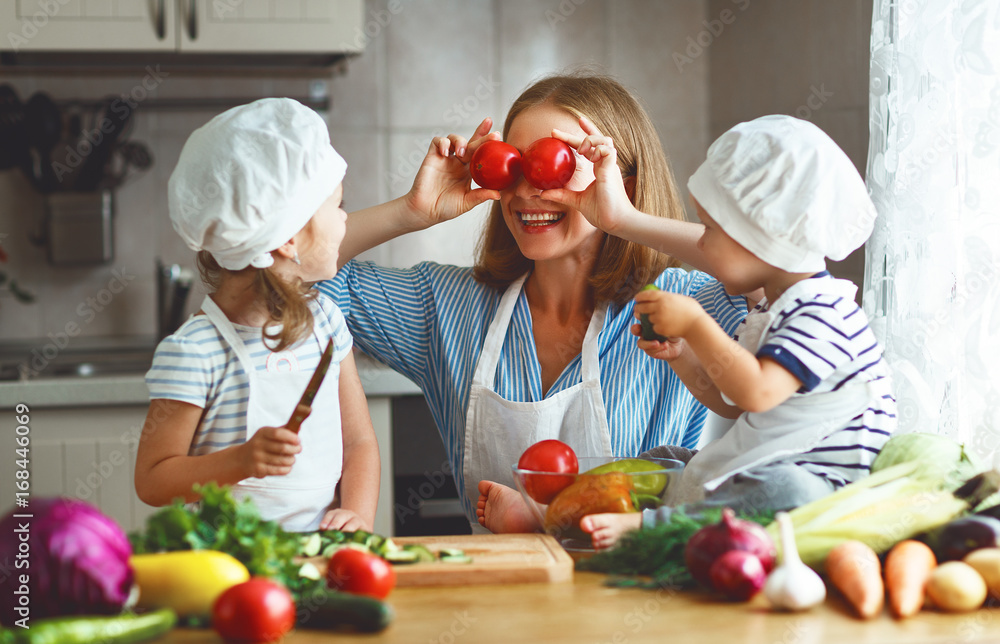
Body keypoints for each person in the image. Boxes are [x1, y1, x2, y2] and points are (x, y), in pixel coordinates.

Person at [317, 74, 748, 532]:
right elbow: (292, 272)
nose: (525, 192)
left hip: (639, 589)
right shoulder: (446, 305)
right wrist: (410, 211)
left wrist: (625, 218)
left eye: (556, 168)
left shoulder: (680, 304)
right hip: (499, 592)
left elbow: (759, 267)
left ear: (623, 180)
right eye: (512, 167)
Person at [549, 114, 896, 549]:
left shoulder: (824, 313)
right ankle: (558, 513)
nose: (702, 246)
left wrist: (696, 324)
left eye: (711, 230)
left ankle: (650, 525)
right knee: (666, 459)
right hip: (761, 464)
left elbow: (757, 393)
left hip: (817, 489)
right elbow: (729, 401)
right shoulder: (776, 308)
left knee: (789, 492)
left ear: (763, 237)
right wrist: (681, 354)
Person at [134, 98, 380, 533]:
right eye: (336, 206)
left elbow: (358, 441)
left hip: (321, 557)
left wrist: (357, 516)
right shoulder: (194, 352)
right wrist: (241, 461)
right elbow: (153, 480)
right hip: (229, 570)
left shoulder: (326, 321)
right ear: (287, 239)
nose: (344, 220)